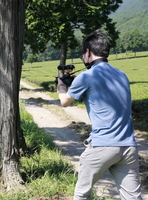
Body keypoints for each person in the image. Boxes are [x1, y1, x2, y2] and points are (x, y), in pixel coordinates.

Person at [57, 29, 142, 199]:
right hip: (128, 147)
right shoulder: (122, 75)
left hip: (102, 146)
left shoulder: (86, 76)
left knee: (82, 195)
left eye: (83, 54)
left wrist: (61, 84)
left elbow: (65, 102)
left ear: (88, 52)